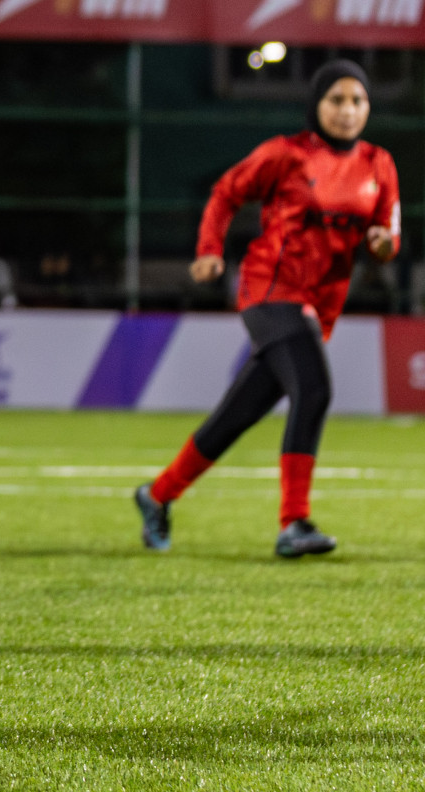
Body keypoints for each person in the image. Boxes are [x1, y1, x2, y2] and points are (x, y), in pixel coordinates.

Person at [135, 59, 399, 558]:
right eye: (336, 100)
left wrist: (385, 243)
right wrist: (210, 250)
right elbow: (225, 193)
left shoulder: (379, 165)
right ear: (316, 106)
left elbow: (387, 236)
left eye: (357, 100)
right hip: (270, 292)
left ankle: (157, 495)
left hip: (319, 307)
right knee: (315, 390)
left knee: (239, 414)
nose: (347, 110)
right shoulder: (286, 154)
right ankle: (293, 522)